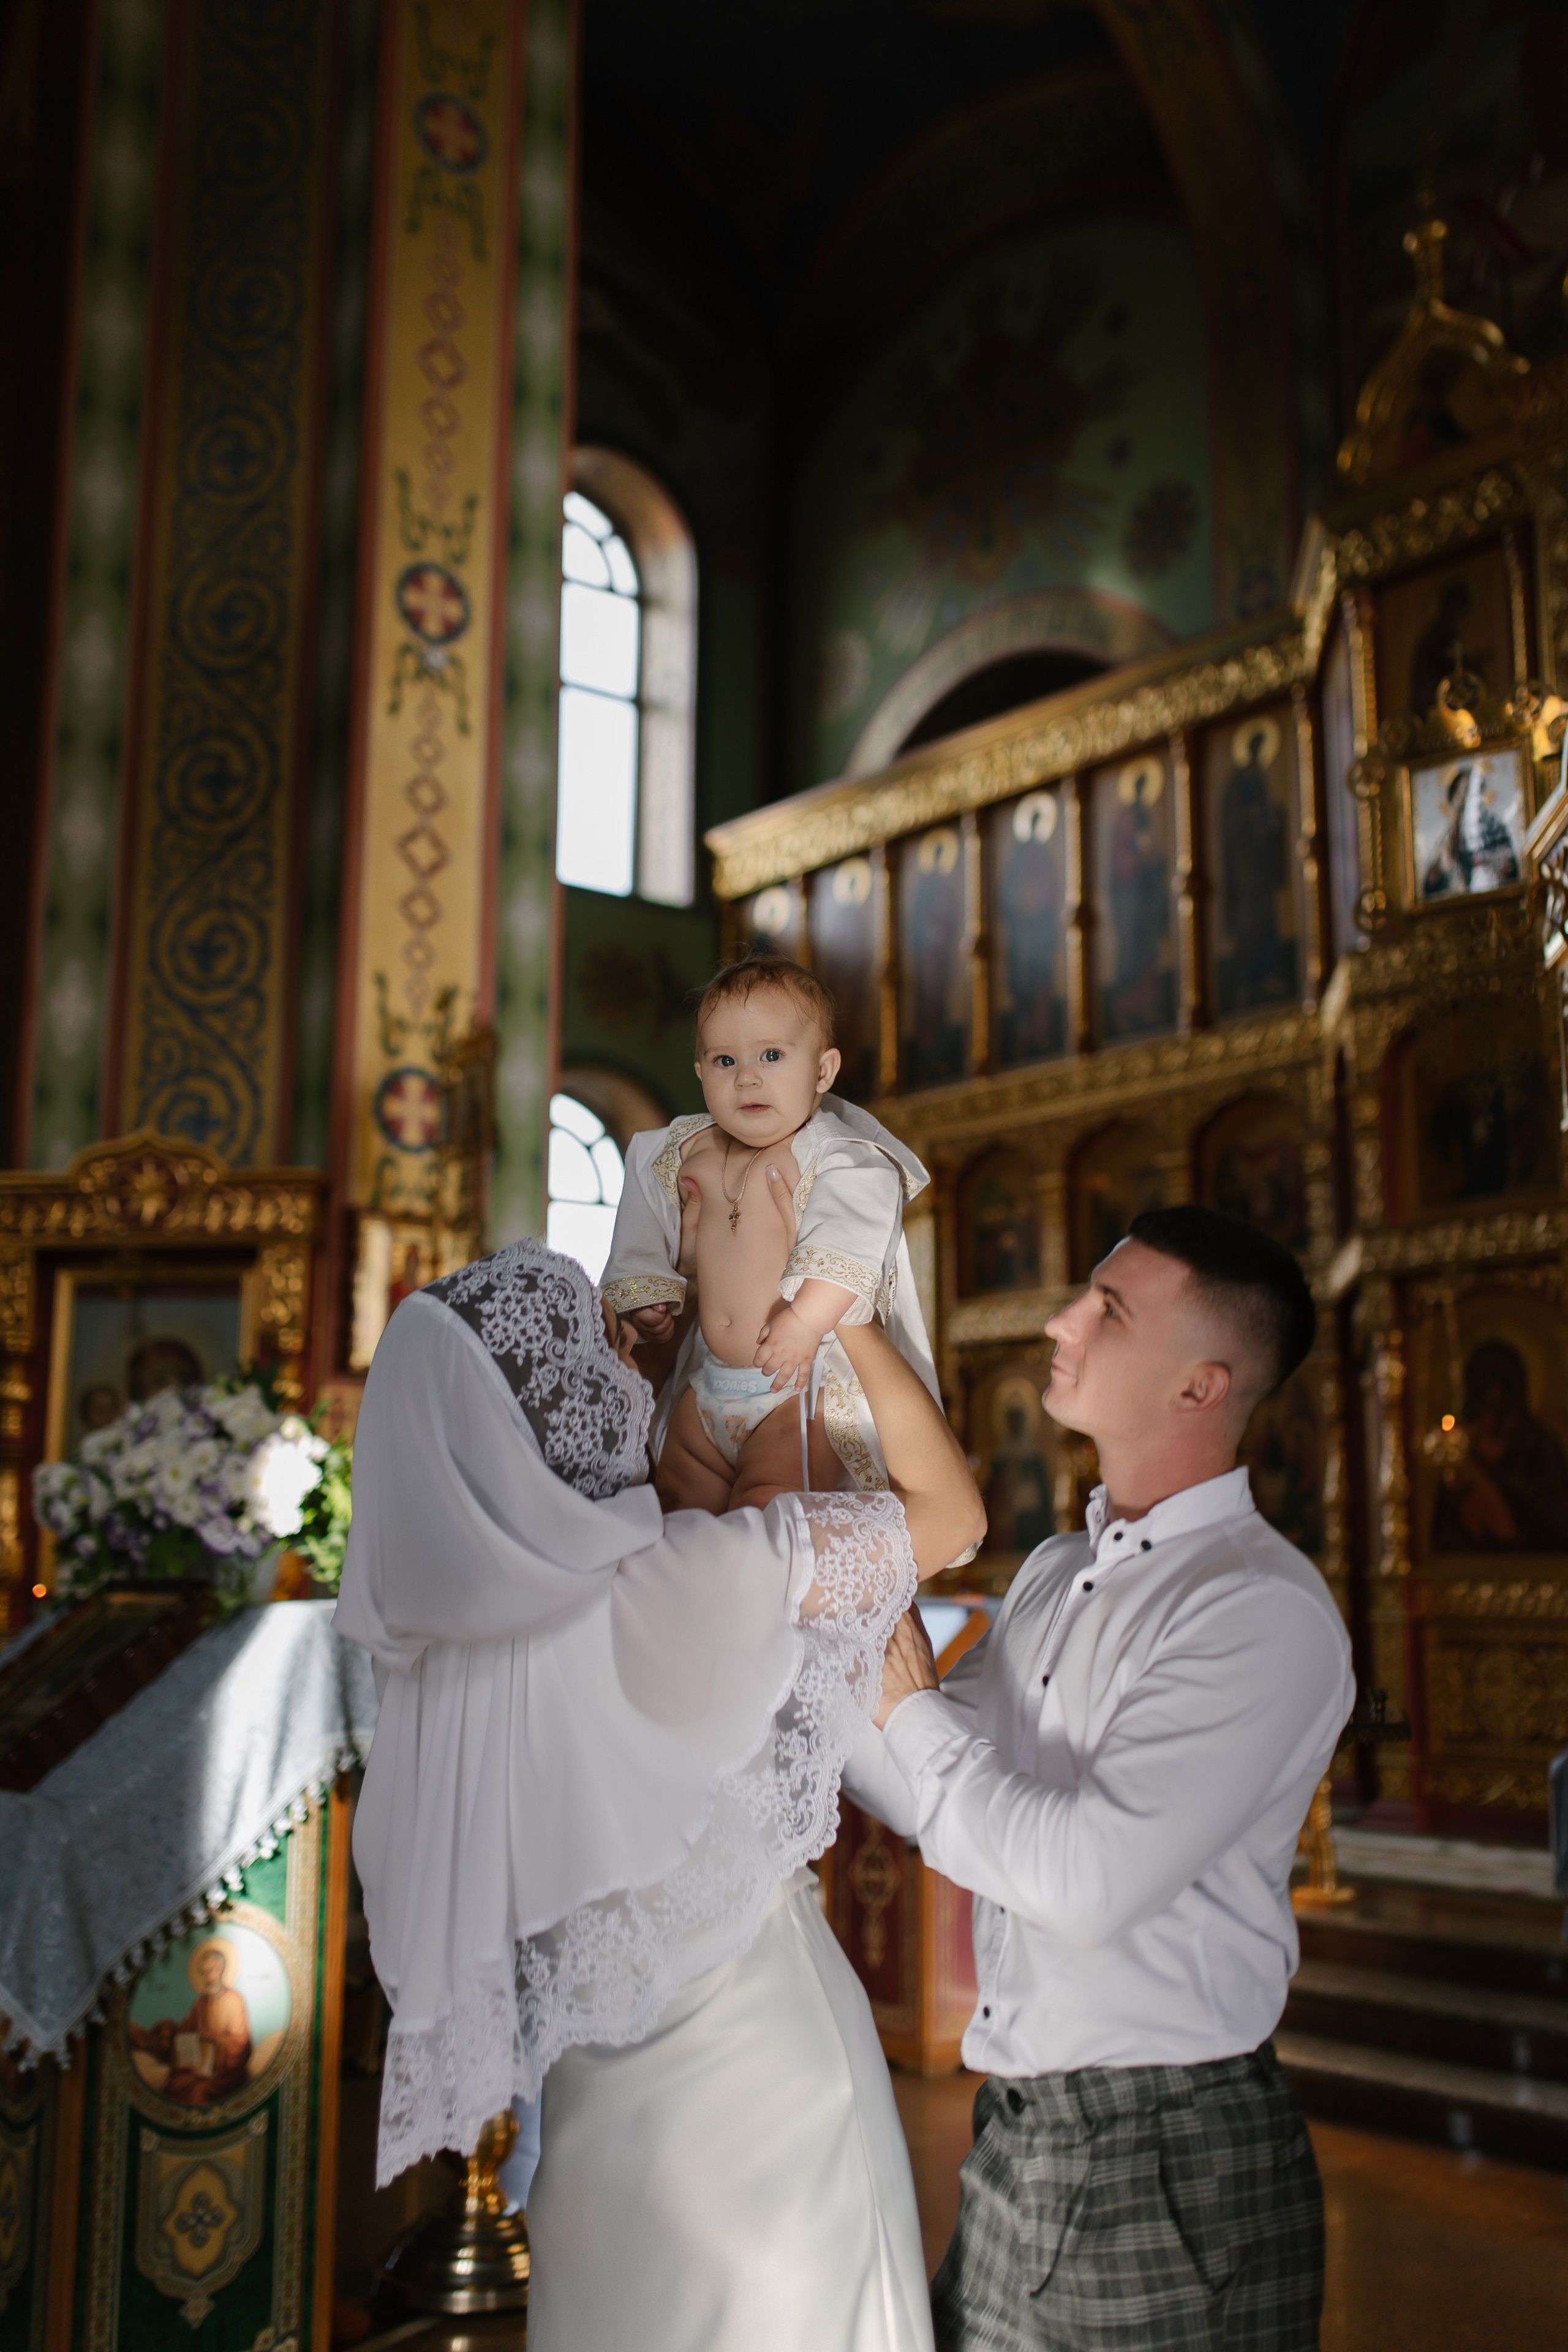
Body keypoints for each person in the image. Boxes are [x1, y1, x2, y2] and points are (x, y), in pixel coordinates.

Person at [334, 1237, 984, 2352]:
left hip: (594, 2137)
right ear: (564, 1407)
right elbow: (953, 1518)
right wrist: (846, 1315)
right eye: (599, 1347)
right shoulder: (690, 1574)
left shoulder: (442, 1673)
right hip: (771, 2098)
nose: (627, 1363)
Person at [845, 1204, 1354, 2351]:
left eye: (1110, 1311)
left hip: (1166, 2155)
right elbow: (923, 1778)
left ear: (1200, 1387)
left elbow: (1084, 1880)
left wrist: (907, 1705)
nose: (1060, 1321)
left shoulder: (1256, 1608)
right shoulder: (1055, 1571)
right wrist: (781, 1633)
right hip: (1021, 2131)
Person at [602, 956, 940, 1511]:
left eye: (772, 1056)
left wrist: (805, 1321)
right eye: (725, 1060)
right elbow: (644, 1211)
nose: (747, 1077)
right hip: (706, 1383)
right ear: (700, 1072)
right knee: (676, 1508)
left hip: (794, 1388)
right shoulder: (683, 1151)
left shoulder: (834, 1157)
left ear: (823, 1071)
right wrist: (649, 1293)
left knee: (769, 1509)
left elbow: (852, 1240)